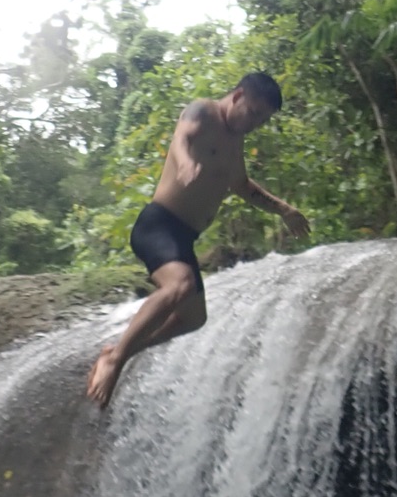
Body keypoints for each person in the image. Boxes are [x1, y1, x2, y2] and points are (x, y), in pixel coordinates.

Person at [85, 72, 309, 408]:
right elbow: (181, 138)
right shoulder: (203, 111)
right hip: (158, 225)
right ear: (237, 96)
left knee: (193, 318)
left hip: (183, 238)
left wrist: (284, 210)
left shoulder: (235, 143)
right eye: (253, 113)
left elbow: (242, 186)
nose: (254, 123)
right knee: (180, 286)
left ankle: (120, 351)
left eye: (262, 120)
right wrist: (187, 162)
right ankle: (115, 360)